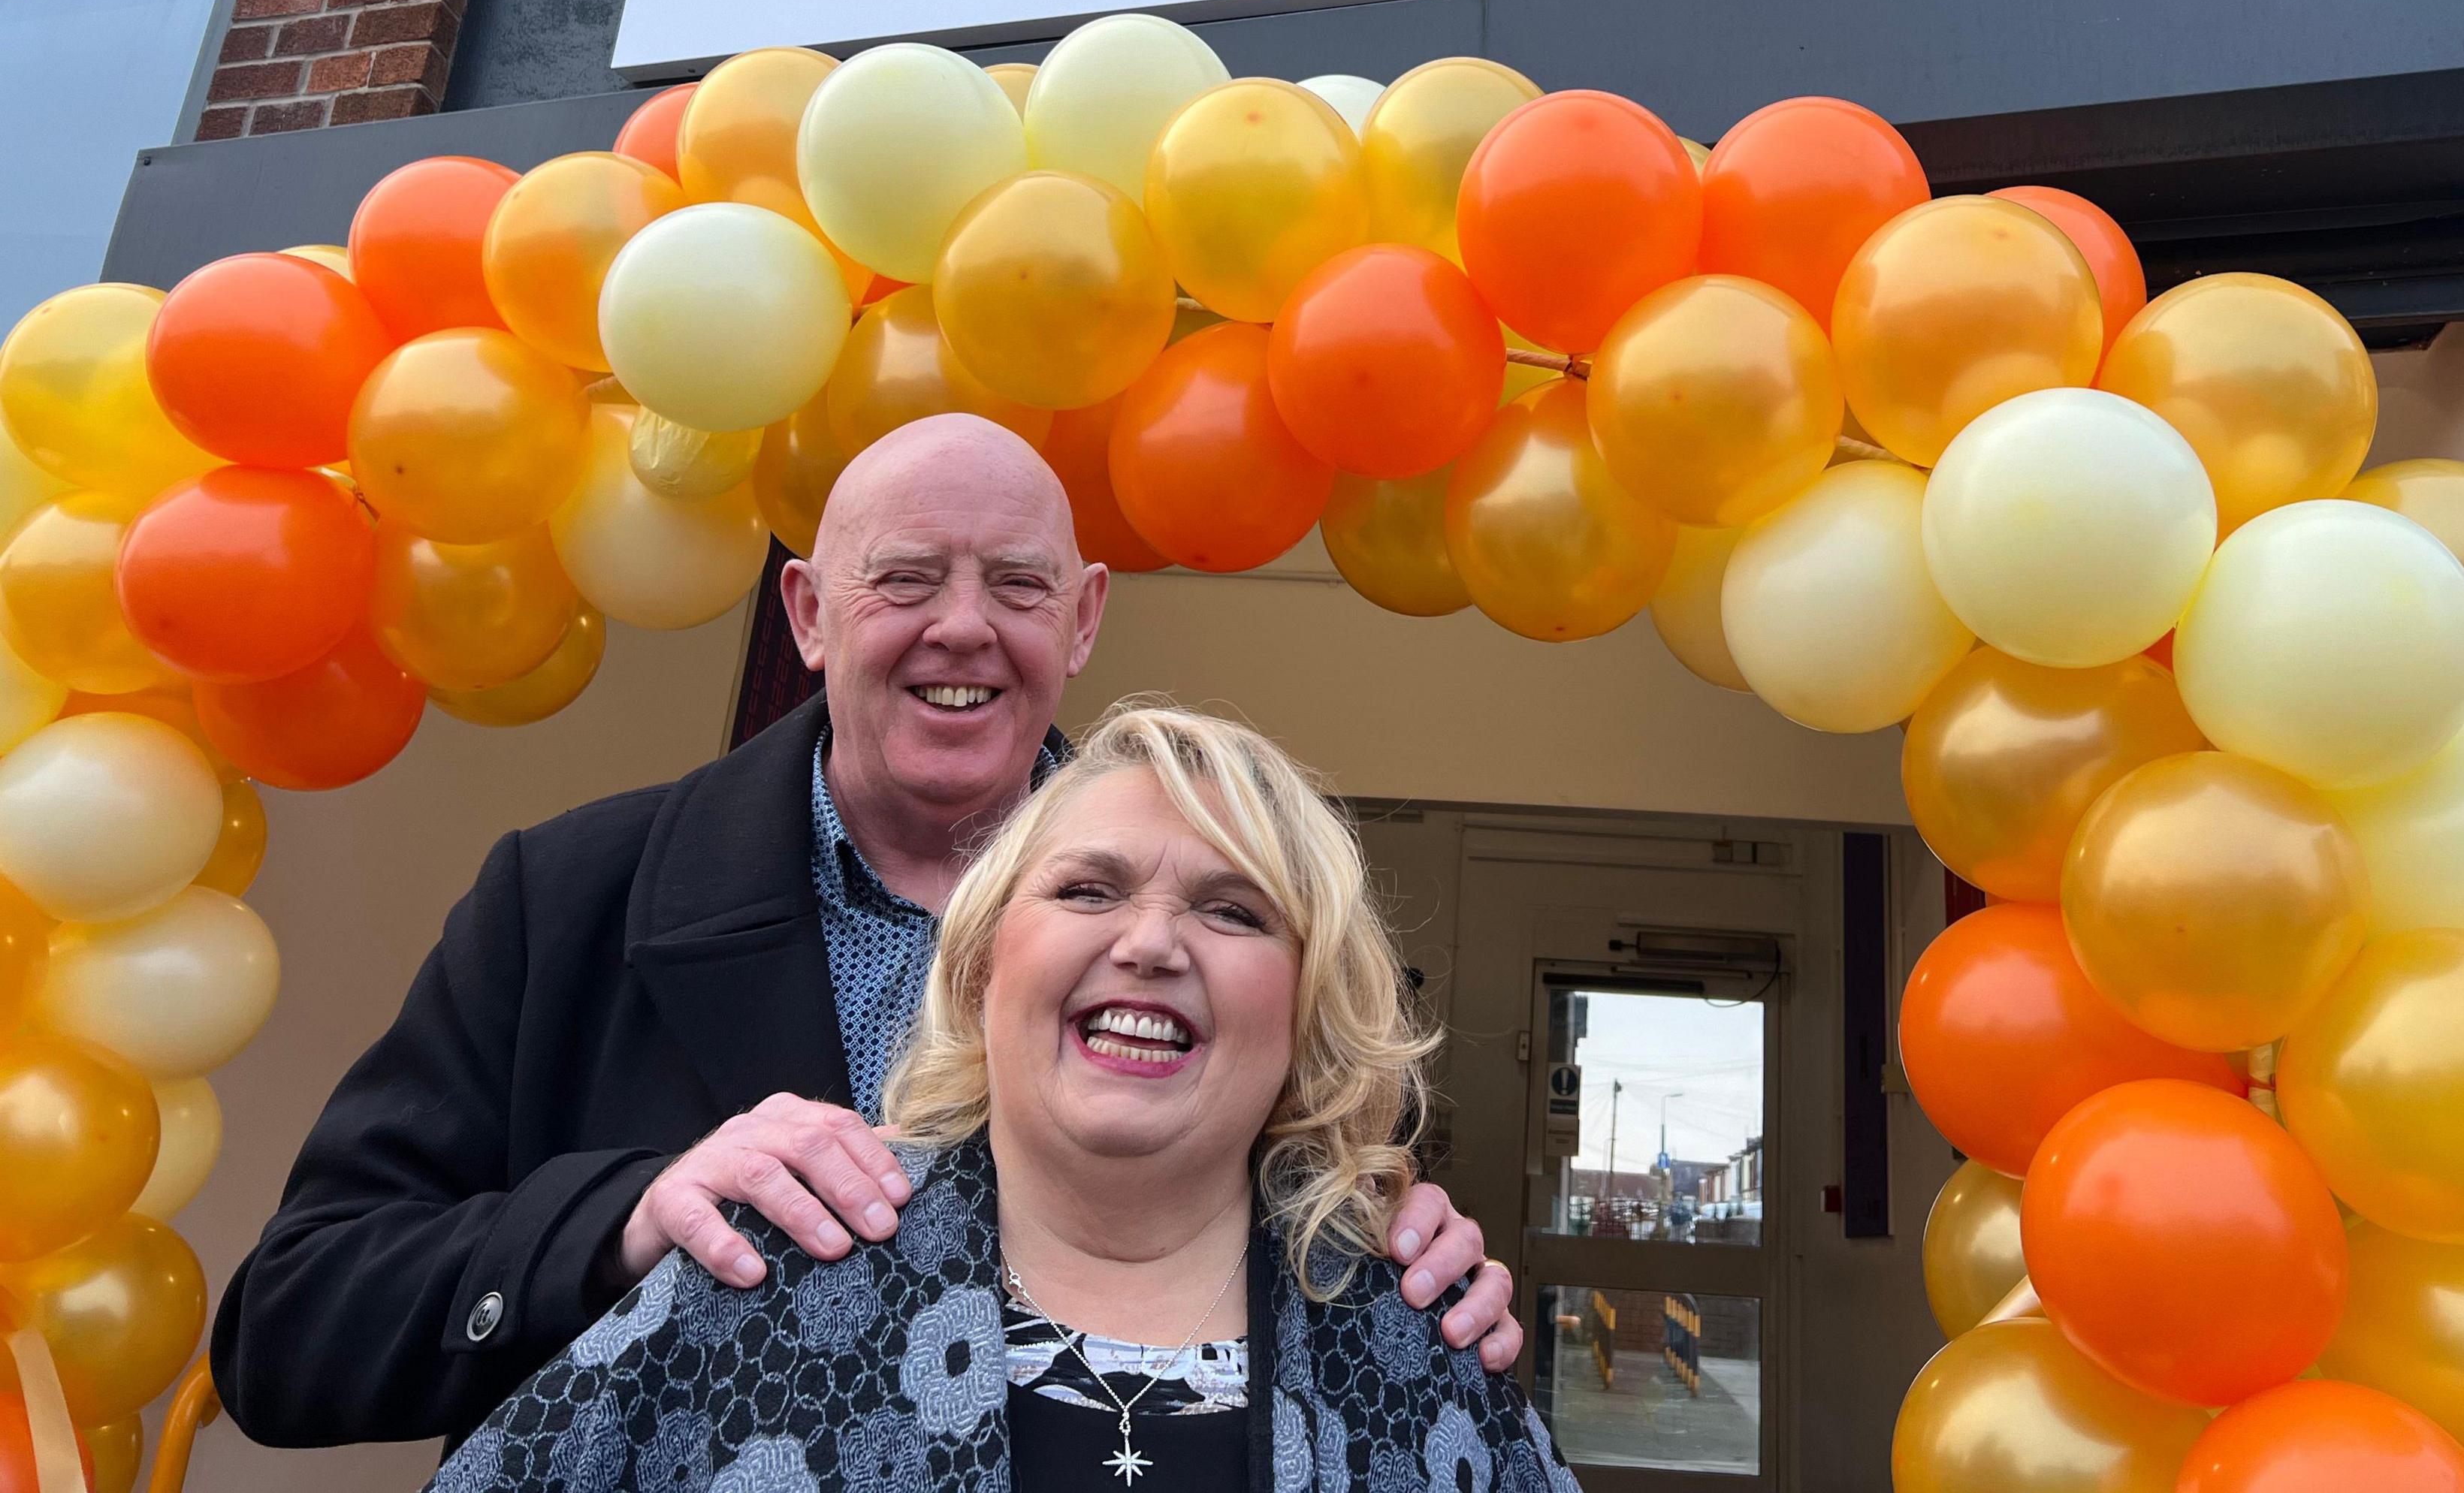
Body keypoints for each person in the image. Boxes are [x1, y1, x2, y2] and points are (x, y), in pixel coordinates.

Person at [213, 416, 1519, 1448]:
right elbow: (287, 1334)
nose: (963, 626)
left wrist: (1402, 1255)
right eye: (903, 580)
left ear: (1083, 620)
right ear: (808, 616)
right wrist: (625, 1224)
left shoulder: (1228, 956)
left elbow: (1308, 1218)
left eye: (1018, 583)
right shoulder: (567, 894)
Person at [426, 704, 1576, 1493]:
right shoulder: (753, 1283)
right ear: (983, 970)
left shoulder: (1423, 1340)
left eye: (1235, 912)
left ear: (1307, 1011)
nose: (1151, 943)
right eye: (1088, 889)